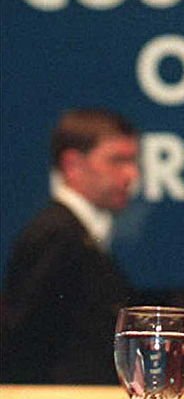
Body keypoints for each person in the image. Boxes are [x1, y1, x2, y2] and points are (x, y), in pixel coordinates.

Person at [1, 108, 139, 384]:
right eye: (117, 160)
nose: (130, 174)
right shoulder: (57, 234)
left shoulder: (75, 232)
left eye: (133, 161)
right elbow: (25, 341)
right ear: (73, 165)